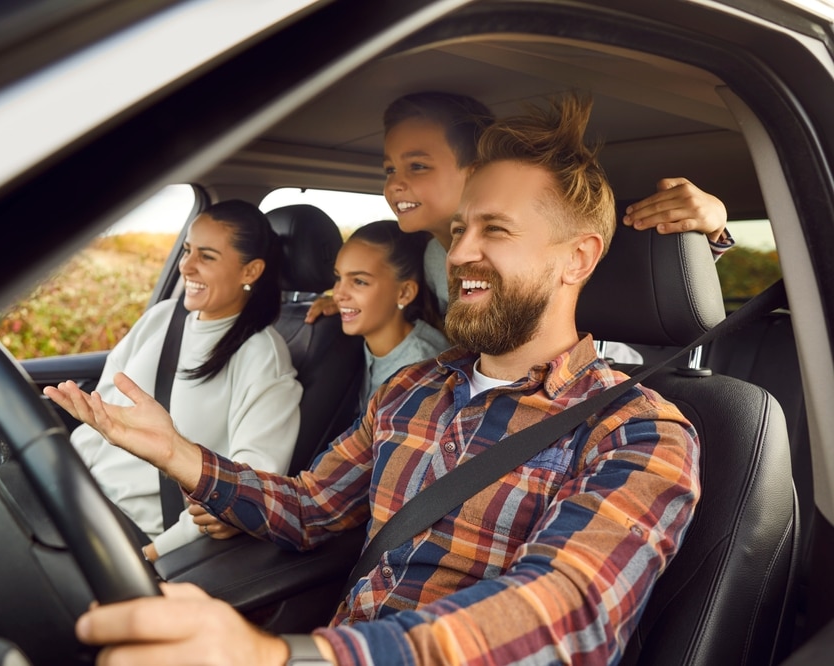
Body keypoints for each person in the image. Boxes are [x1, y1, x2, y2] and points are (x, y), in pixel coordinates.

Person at [46, 93, 700, 665]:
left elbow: (561, 614)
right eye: (461, 228)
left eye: (494, 230)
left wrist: (285, 656)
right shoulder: (413, 390)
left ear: (577, 259)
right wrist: (178, 454)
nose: (464, 251)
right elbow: (308, 510)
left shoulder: (638, 435)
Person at [306, 91, 734, 364]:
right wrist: (350, 301)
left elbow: (626, 275)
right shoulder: (423, 254)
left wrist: (711, 231)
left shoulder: (549, 247)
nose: (395, 182)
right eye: (388, 169)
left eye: (417, 166)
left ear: (475, 171)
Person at [68, 199, 303, 560]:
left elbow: (247, 488)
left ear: (250, 271)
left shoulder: (261, 357)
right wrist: (61, 481)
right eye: (187, 250)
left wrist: (151, 554)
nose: (186, 266)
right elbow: (99, 411)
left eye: (206, 257)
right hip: (78, 504)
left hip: (130, 535)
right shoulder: (161, 319)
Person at [331, 220, 449, 410]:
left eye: (359, 282)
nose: (338, 294)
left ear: (404, 293)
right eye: (339, 278)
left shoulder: (421, 371)